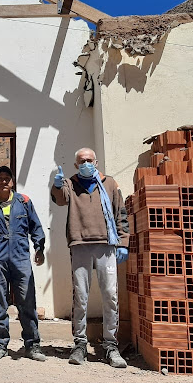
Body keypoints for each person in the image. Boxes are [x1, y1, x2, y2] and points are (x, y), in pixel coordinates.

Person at [51, 147, 129, 368]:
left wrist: (123, 243)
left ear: (96, 162)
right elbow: (60, 199)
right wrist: (56, 185)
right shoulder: (70, 183)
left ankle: (111, 346)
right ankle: (80, 344)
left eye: (89, 160)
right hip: (80, 244)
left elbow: (120, 213)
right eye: (81, 161)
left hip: (106, 245)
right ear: (76, 165)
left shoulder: (110, 184)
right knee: (81, 297)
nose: (85, 163)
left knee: (111, 296)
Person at [0, 165, 47, 361]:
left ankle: (32, 345)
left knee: (27, 301)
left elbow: (36, 227)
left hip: (21, 258)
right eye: (0, 178)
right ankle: (0, 344)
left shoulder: (24, 202)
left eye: (7, 178)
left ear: (12, 182)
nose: (4, 181)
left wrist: (39, 247)